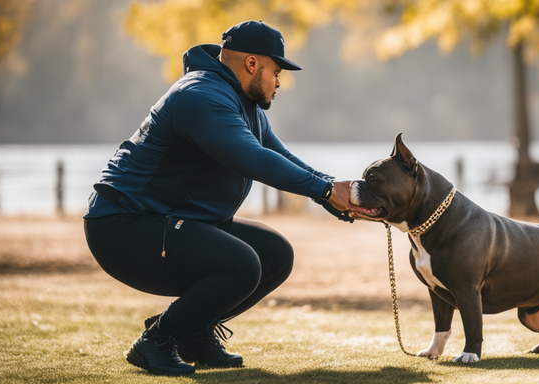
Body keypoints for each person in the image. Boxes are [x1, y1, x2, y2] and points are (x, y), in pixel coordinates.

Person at [83, 21, 353, 376]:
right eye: (276, 70)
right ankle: (159, 339)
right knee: (242, 264)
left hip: (170, 221)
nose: (279, 81)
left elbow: (279, 155)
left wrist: (331, 192)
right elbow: (252, 159)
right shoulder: (200, 96)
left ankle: (191, 334)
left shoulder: (246, 104)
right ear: (252, 64)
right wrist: (325, 190)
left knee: (275, 255)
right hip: (123, 226)